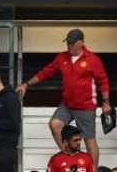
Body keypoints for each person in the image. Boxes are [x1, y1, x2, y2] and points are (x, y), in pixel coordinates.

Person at [18, 28, 111, 163]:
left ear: (80, 43)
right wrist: (26, 84)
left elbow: (103, 81)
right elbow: (46, 72)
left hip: (85, 106)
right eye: (67, 43)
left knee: (89, 139)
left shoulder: (93, 59)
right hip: (67, 105)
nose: (69, 46)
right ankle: (71, 159)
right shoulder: (62, 57)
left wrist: (106, 102)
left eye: (72, 43)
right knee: (54, 125)